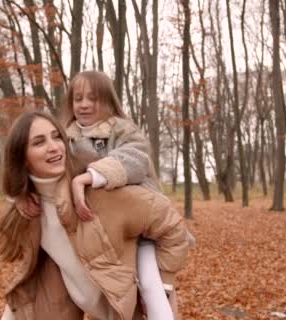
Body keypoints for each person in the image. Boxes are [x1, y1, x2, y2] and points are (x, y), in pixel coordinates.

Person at [16, 70, 184, 319]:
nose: (84, 105)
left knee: (151, 285)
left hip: (141, 228)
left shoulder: (123, 130)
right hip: (102, 233)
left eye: (93, 98)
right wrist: (22, 193)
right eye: (78, 98)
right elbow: (43, 168)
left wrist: (90, 176)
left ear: (108, 100)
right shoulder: (66, 137)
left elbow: (136, 159)